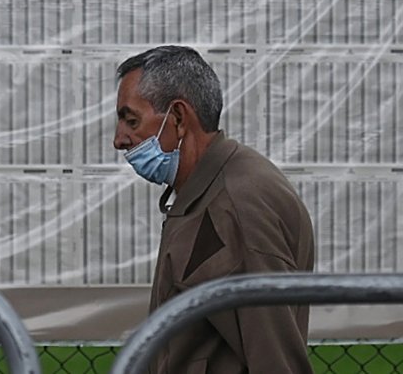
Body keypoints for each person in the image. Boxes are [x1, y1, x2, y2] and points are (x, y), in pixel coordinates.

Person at [114, 45, 315, 374]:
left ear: (178, 118)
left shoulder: (235, 207)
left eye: (131, 120)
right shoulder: (213, 189)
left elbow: (275, 361)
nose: (119, 140)